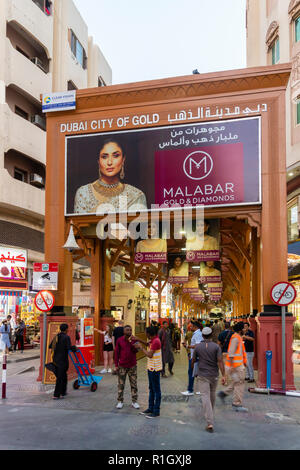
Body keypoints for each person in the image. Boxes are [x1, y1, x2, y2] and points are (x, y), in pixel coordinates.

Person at [74, 139, 147, 214]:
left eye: (115, 156)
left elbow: (141, 225)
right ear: (98, 161)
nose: (109, 162)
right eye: (104, 157)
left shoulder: (135, 195)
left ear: (123, 160)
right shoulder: (84, 193)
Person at [192, 327, 226, 433]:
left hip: (202, 375)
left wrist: (194, 370)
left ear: (202, 335)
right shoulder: (216, 347)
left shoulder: (198, 347)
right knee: (212, 394)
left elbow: (193, 361)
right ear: (211, 335)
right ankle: (210, 413)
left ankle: (209, 422)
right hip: (214, 375)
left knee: (205, 396)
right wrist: (224, 375)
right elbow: (220, 361)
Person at [218, 321, 248, 412]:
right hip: (236, 366)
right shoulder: (236, 338)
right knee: (239, 383)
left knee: (237, 382)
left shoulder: (238, 337)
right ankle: (237, 404)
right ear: (240, 330)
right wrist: (231, 367)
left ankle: (223, 393)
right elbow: (231, 353)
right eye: (244, 327)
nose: (245, 329)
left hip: (237, 365)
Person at [137, 326, 162, 419]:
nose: (145, 334)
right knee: (151, 388)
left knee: (156, 390)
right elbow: (147, 344)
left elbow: (150, 355)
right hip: (151, 367)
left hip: (155, 368)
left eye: (146, 332)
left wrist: (140, 347)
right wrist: (137, 339)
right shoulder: (153, 340)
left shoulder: (156, 341)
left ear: (149, 333)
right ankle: (150, 408)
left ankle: (156, 411)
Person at [114, 325, 140, 410]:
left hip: (132, 365)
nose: (129, 331)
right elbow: (117, 353)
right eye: (127, 330)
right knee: (121, 384)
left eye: (130, 330)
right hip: (122, 365)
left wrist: (133, 345)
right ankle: (120, 401)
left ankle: (134, 401)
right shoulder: (119, 340)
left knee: (134, 384)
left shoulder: (134, 340)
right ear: (124, 332)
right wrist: (116, 365)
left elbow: (136, 351)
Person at [49, 323, 77, 400]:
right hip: (63, 360)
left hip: (55, 359)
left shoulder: (57, 336)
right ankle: (56, 394)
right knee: (61, 377)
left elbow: (50, 346)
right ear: (66, 330)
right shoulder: (66, 337)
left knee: (63, 376)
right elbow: (68, 347)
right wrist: (74, 348)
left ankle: (63, 391)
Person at [181, 320, 203, 396]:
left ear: (195, 326)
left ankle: (190, 390)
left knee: (191, 372)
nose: (190, 327)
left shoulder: (198, 334)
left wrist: (188, 346)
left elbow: (198, 345)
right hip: (195, 356)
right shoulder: (197, 333)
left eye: (191, 326)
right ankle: (199, 389)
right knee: (196, 373)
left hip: (195, 357)